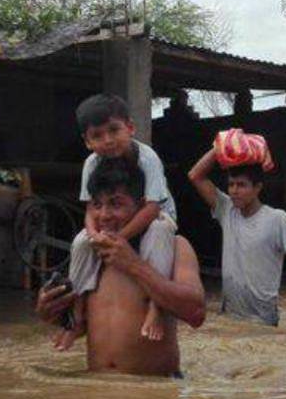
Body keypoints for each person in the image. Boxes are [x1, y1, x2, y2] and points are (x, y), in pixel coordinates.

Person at [35, 158, 205, 376]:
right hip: (97, 390)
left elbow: (197, 313)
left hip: (155, 393)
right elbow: (82, 325)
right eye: (97, 205)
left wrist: (133, 264)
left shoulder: (175, 247)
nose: (104, 216)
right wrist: (48, 312)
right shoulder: (91, 253)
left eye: (116, 204)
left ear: (142, 206)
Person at [188, 147, 286, 327]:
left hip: (263, 318)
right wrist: (220, 146)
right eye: (231, 184)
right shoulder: (227, 210)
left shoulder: (277, 218)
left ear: (257, 188)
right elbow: (196, 176)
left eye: (241, 185)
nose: (234, 190)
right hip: (230, 316)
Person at [64, 95, 177, 348]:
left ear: (130, 128)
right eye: (98, 135)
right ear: (87, 142)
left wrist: (119, 239)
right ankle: (78, 313)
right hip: (114, 220)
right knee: (81, 241)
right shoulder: (91, 163)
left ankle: (156, 307)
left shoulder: (147, 158)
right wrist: (94, 235)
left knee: (160, 228)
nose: (108, 140)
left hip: (155, 214)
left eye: (114, 130)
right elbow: (90, 209)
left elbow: (151, 208)